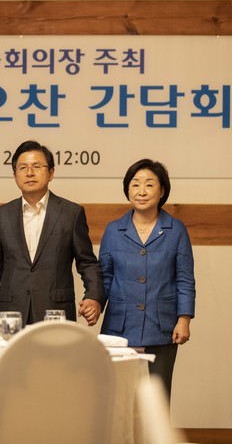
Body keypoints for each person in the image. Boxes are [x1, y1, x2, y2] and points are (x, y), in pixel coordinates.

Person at [99, 159, 195, 398]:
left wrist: (184, 319)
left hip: (161, 328)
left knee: (156, 401)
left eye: (149, 185)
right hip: (119, 328)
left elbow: (184, 279)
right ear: (127, 190)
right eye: (135, 184)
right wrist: (95, 303)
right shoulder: (113, 230)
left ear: (161, 191)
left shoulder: (176, 229)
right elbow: (105, 278)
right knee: (118, 401)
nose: (141, 191)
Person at [0, 140, 104, 325]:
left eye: (37, 166)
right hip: (12, 313)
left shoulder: (71, 213)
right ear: (14, 175)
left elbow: (87, 262)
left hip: (56, 311)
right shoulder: (2, 215)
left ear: (51, 173)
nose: (29, 173)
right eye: (23, 167)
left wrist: (93, 296)